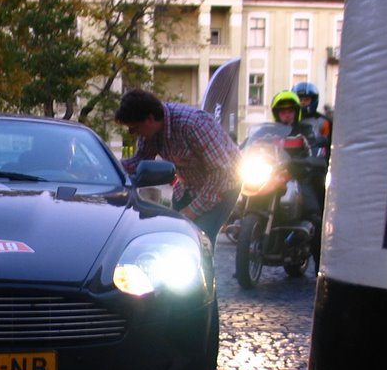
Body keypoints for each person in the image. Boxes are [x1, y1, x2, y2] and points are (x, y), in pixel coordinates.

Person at [115, 89, 240, 248]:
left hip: (223, 186)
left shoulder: (193, 124)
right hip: (188, 186)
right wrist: (108, 168)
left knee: (199, 240)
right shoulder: (150, 133)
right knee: (176, 237)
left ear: (150, 119)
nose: (133, 133)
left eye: (134, 128)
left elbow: (221, 172)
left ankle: (207, 272)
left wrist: (193, 210)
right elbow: (139, 161)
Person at [270, 90, 326, 274]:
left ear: (296, 112)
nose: (287, 114)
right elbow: (249, 146)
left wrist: (307, 161)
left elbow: (315, 151)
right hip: (272, 176)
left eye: (290, 111)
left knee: (315, 217)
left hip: (299, 177)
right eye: (282, 111)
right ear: (277, 113)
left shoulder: (305, 130)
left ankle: (320, 267)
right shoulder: (268, 132)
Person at [292, 82, 332, 156]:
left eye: (306, 99)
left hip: (315, 159)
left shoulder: (323, 121)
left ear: (313, 100)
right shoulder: (289, 120)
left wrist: (321, 141)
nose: (303, 103)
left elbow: (328, 142)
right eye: (300, 100)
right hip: (290, 157)